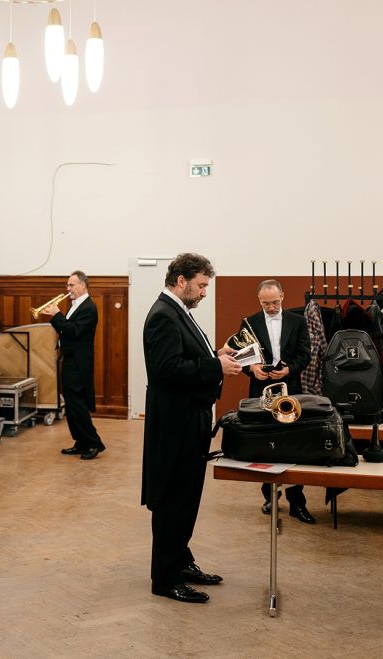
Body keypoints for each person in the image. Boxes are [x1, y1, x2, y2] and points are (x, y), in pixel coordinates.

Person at [141, 253, 242, 604]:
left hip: (188, 419)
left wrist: (217, 354)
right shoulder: (163, 315)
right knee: (173, 500)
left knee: (187, 499)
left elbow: (186, 358)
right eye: (200, 285)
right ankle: (165, 578)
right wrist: (216, 367)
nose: (203, 293)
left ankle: (181, 561)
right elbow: (167, 369)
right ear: (180, 281)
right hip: (174, 424)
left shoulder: (178, 312)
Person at [239, 279, 315, 523]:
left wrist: (288, 370)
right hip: (261, 389)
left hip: (290, 388)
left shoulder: (298, 321)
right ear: (258, 300)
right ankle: (270, 497)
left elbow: (306, 355)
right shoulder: (249, 322)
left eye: (274, 302)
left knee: (293, 445)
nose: (271, 307)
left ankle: (297, 503)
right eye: (265, 303)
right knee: (265, 444)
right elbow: (242, 357)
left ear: (282, 296)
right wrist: (252, 369)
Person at [41, 270, 104, 459]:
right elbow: (65, 330)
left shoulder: (89, 307)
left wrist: (56, 315)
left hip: (79, 362)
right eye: (67, 285)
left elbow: (74, 331)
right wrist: (56, 317)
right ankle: (81, 441)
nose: (68, 289)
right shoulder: (75, 305)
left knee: (77, 403)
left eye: (72, 285)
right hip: (70, 359)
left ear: (83, 285)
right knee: (70, 403)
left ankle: (94, 443)